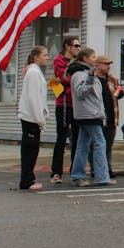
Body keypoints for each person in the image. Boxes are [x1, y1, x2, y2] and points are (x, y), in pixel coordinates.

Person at [67, 47, 115, 187]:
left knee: (83, 144)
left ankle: (78, 175)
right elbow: (80, 93)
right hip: (89, 114)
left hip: (89, 113)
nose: (95, 59)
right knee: (100, 143)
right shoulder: (80, 74)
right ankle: (102, 176)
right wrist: (89, 78)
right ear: (85, 58)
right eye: (93, 56)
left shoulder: (87, 73)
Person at [18, 45, 49, 191]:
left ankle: (28, 178)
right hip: (31, 118)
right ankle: (27, 180)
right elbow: (33, 97)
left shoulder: (34, 72)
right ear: (36, 57)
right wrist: (39, 118)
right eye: (44, 55)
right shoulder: (34, 73)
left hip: (31, 116)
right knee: (30, 149)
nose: (47, 57)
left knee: (31, 149)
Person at [50, 36, 80, 184]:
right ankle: (56, 172)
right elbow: (63, 78)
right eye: (76, 46)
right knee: (61, 138)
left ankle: (76, 170)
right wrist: (74, 77)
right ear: (67, 46)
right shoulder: (59, 60)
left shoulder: (79, 62)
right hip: (63, 104)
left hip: (77, 105)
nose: (78, 49)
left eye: (79, 46)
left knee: (77, 138)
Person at [94, 55, 124, 178]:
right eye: (106, 64)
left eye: (109, 64)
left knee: (108, 144)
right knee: (97, 145)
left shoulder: (112, 79)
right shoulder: (93, 79)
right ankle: (96, 169)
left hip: (111, 116)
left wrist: (121, 92)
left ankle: (107, 168)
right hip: (98, 117)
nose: (108, 67)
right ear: (98, 65)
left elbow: (118, 94)